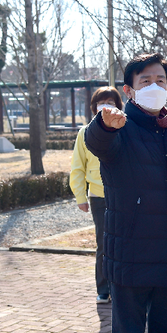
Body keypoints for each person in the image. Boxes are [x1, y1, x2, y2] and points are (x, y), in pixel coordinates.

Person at [84, 53, 167, 333]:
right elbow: (97, 142)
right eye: (145, 81)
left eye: (160, 81)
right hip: (129, 258)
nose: (154, 87)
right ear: (129, 90)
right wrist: (104, 123)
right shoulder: (120, 127)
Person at [70, 86, 123, 304]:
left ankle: (122, 286)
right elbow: (77, 167)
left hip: (122, 195)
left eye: (110, 102)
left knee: (124, 243)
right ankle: (103, 289)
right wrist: (80, 197)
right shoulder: (84, 133)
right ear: (94, 107)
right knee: (103, 243)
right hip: (98, 197)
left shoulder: (124, 128)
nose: (105, 106)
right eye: (102, 102)